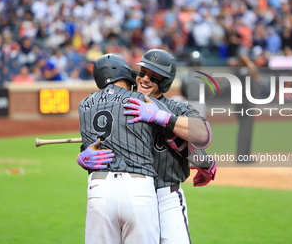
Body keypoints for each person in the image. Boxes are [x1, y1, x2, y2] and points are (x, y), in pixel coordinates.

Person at [78, 49, 216, 244]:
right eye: (142, 73)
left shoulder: (176, 108)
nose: (144, 80)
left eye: (154, 77)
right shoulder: (120, 103)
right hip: (133, 193)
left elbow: (202, 133)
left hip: (165, 196)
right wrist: (82, 158)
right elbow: (94, 144)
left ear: (166, 82)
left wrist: (162, 117)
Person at [78, 53, 177, 244]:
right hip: (138, 186)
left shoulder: (84, 105)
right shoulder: (144, 100)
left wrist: (80, 157)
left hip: (99, 187)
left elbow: (88, 147)